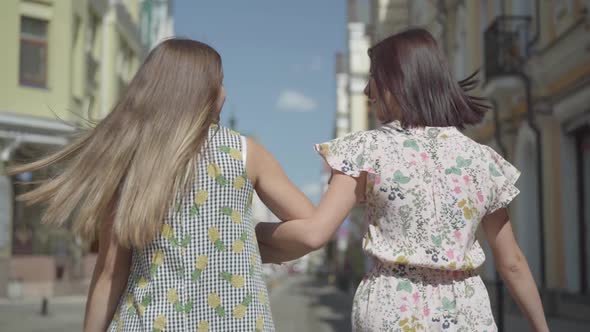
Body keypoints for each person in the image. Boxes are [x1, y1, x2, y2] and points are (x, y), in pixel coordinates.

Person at [9, 38, 314, 332]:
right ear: (202, 91)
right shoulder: (244, 153)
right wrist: (250, 240)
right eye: (220, 82)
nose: (225, 92)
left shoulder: (132, 158)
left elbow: (110, 273)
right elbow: (308, 227)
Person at [256, 28, 549, 332]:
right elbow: (512, 262)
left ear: (397, 82)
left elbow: (313, 234)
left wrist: (248, 234)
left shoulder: (365, 151)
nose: (367, 91)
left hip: (392, 311)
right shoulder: (482, 161)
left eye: (374, 77)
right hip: (466, 313)